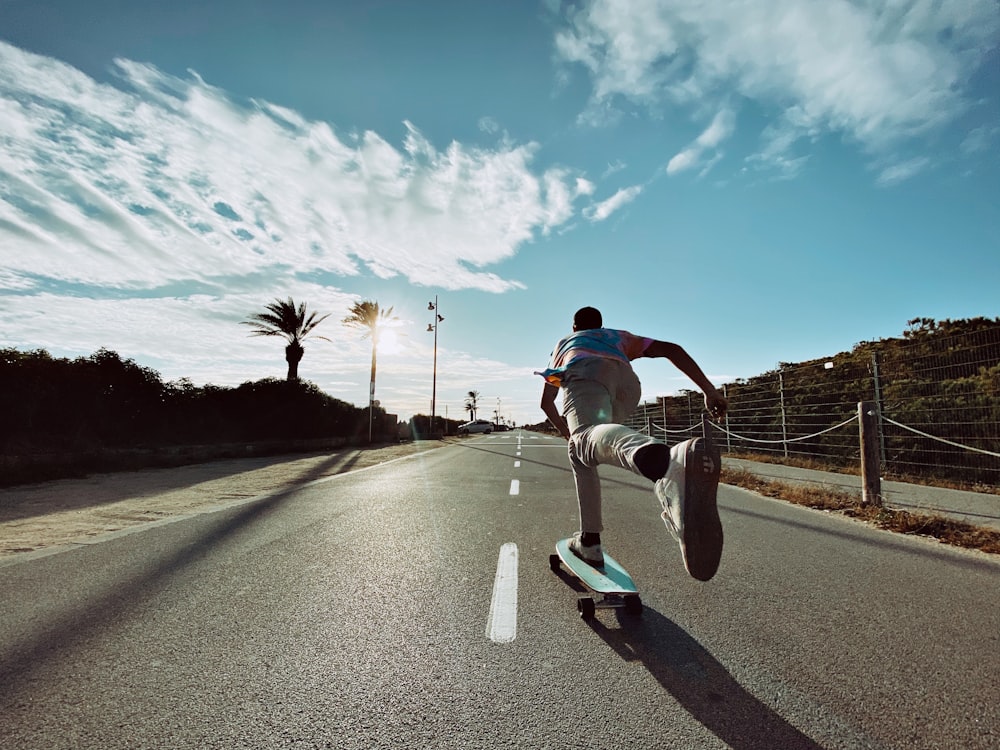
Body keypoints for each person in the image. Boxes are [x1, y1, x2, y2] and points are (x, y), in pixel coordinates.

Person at [537, 306, 729, 581]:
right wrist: (709, 391)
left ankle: (669, 464)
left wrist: (570, 434)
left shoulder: (565, 342)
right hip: (627, 385)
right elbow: (672, 349)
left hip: (586, 373)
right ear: (601, 325)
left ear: (574, 326)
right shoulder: (619, 337)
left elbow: (546, 402)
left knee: (581, 443)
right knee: (591, 445)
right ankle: (589, 538)